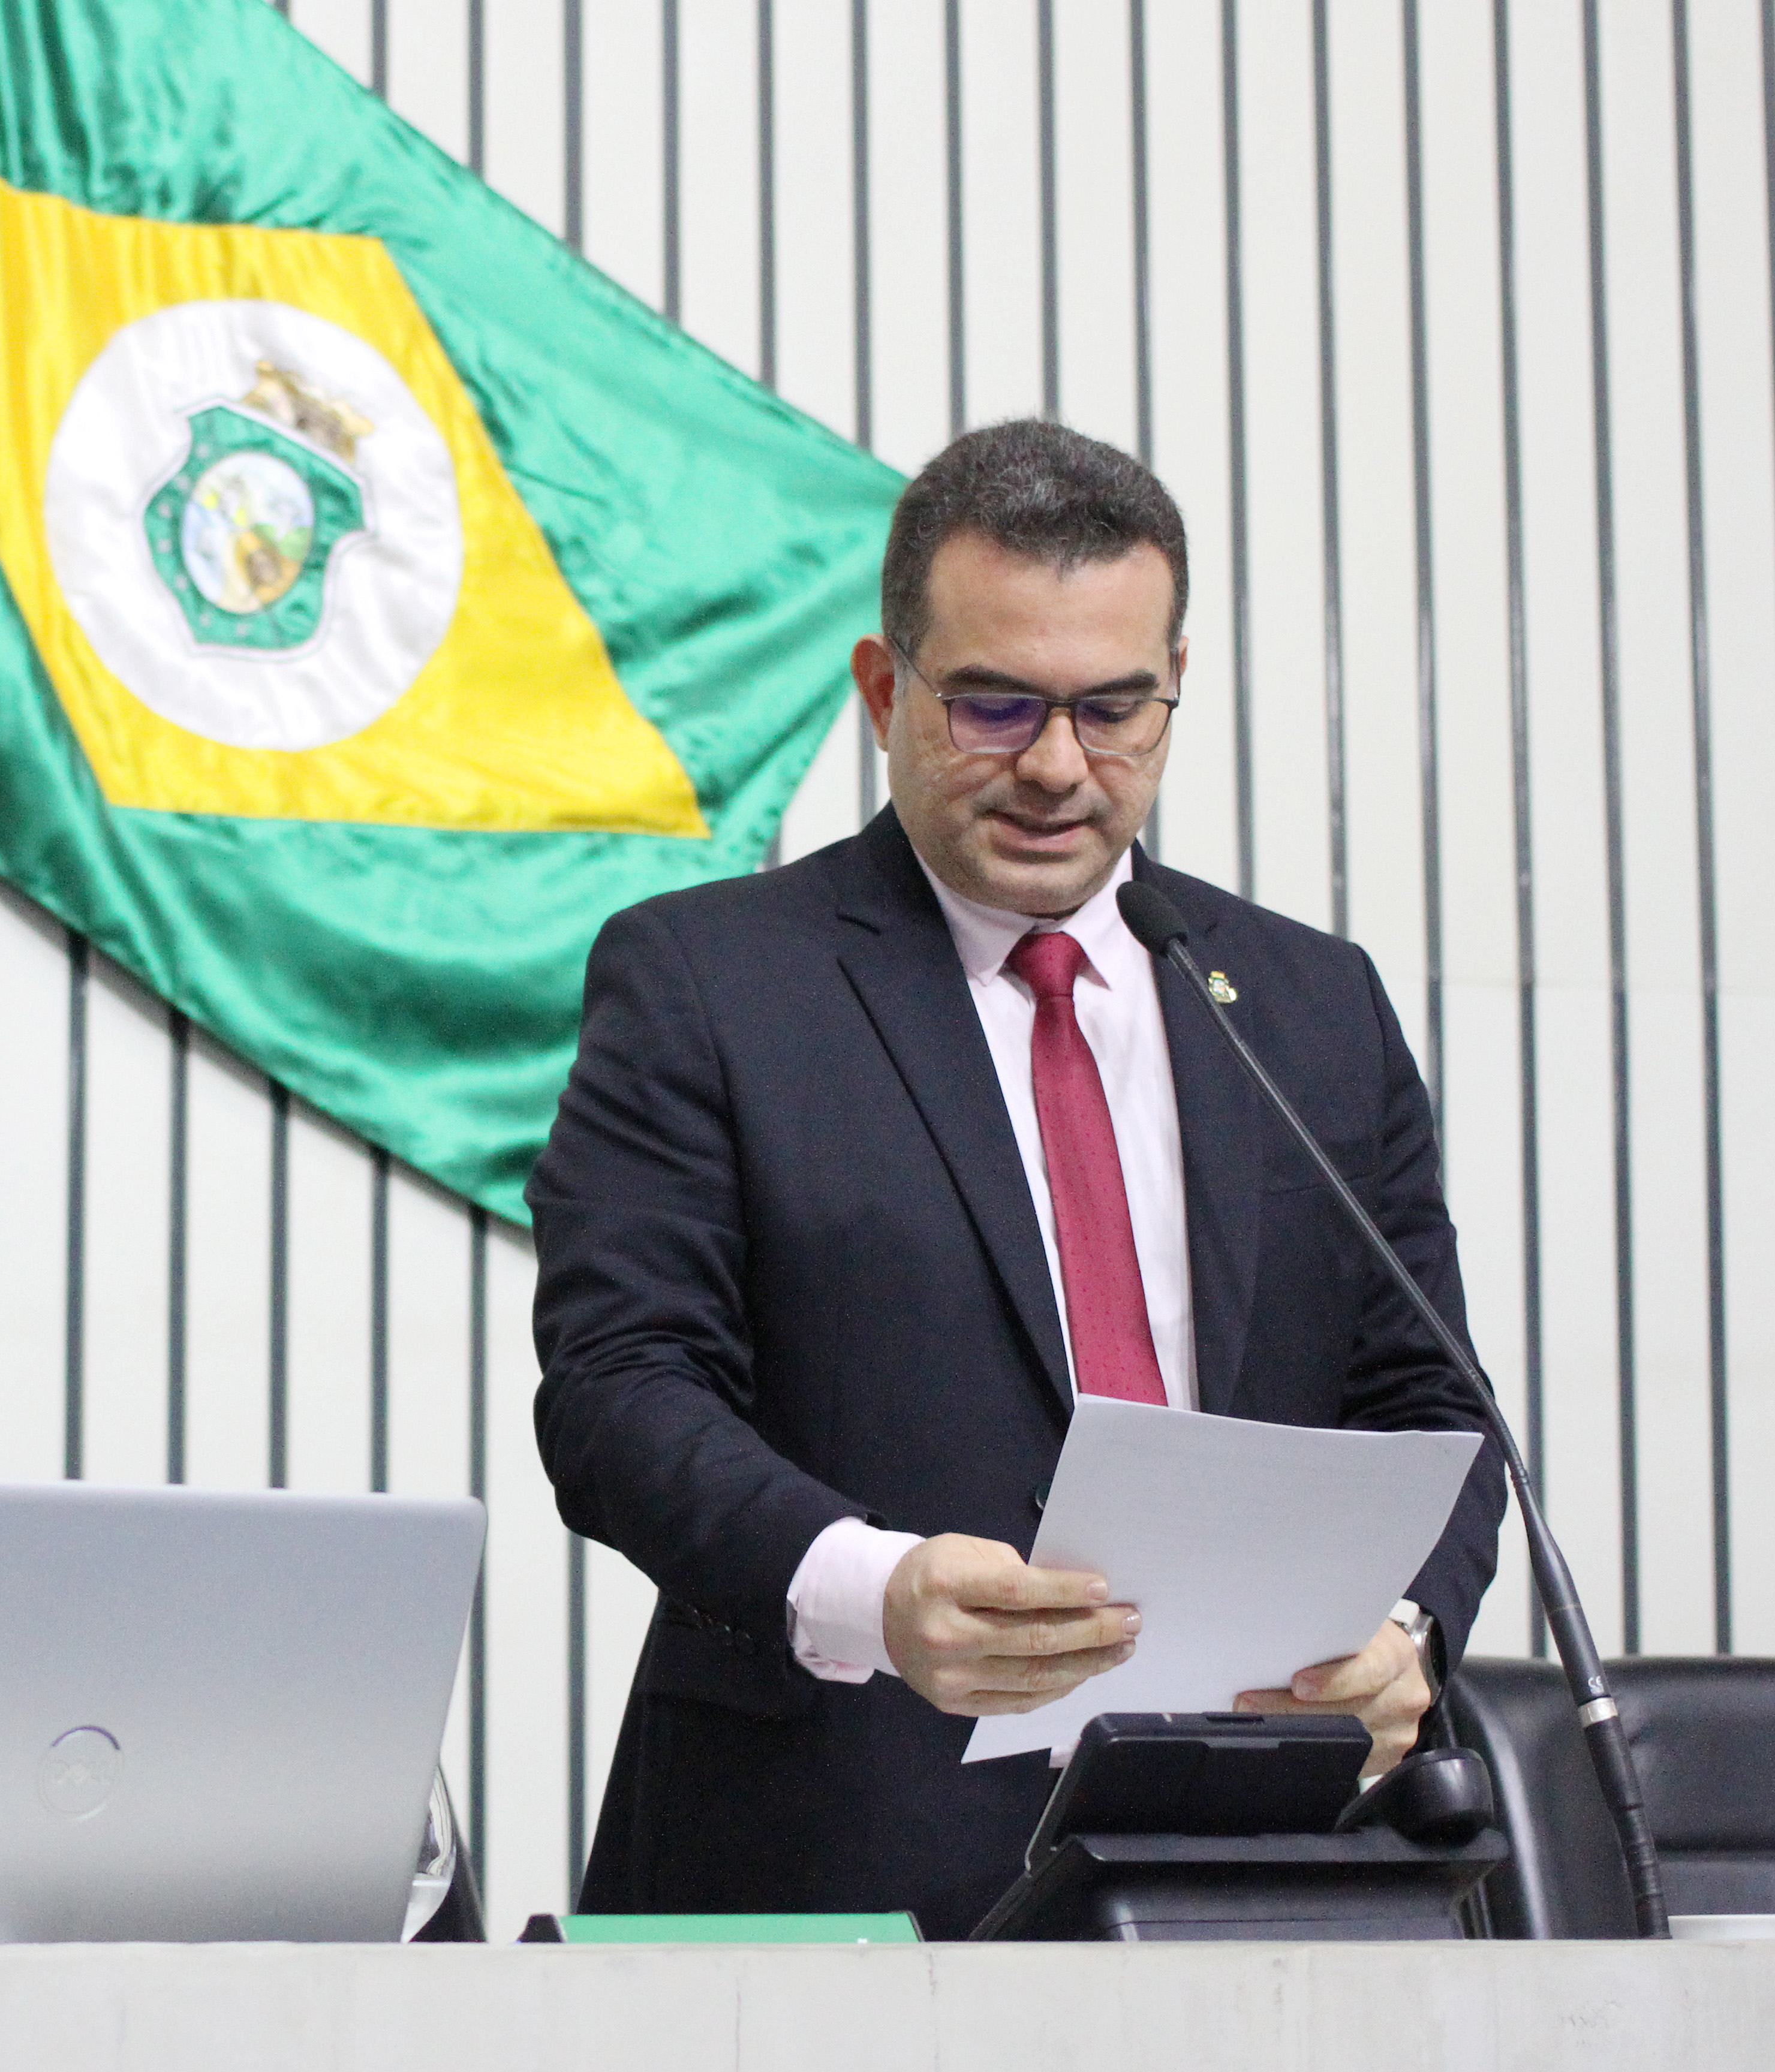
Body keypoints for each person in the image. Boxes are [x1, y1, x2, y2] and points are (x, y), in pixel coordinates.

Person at [528, 420, 1506, 1938]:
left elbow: (1433, 1404)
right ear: (882, 689)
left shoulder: (1312, 1006)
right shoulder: (709, 982)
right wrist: (874, 1588)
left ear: (1175, 682)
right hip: (821, 1859)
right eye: (994, 706)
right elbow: (619, 1392)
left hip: (1249, 1858)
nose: (1059, 768)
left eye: (1115, 709)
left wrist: (1405, 1632)